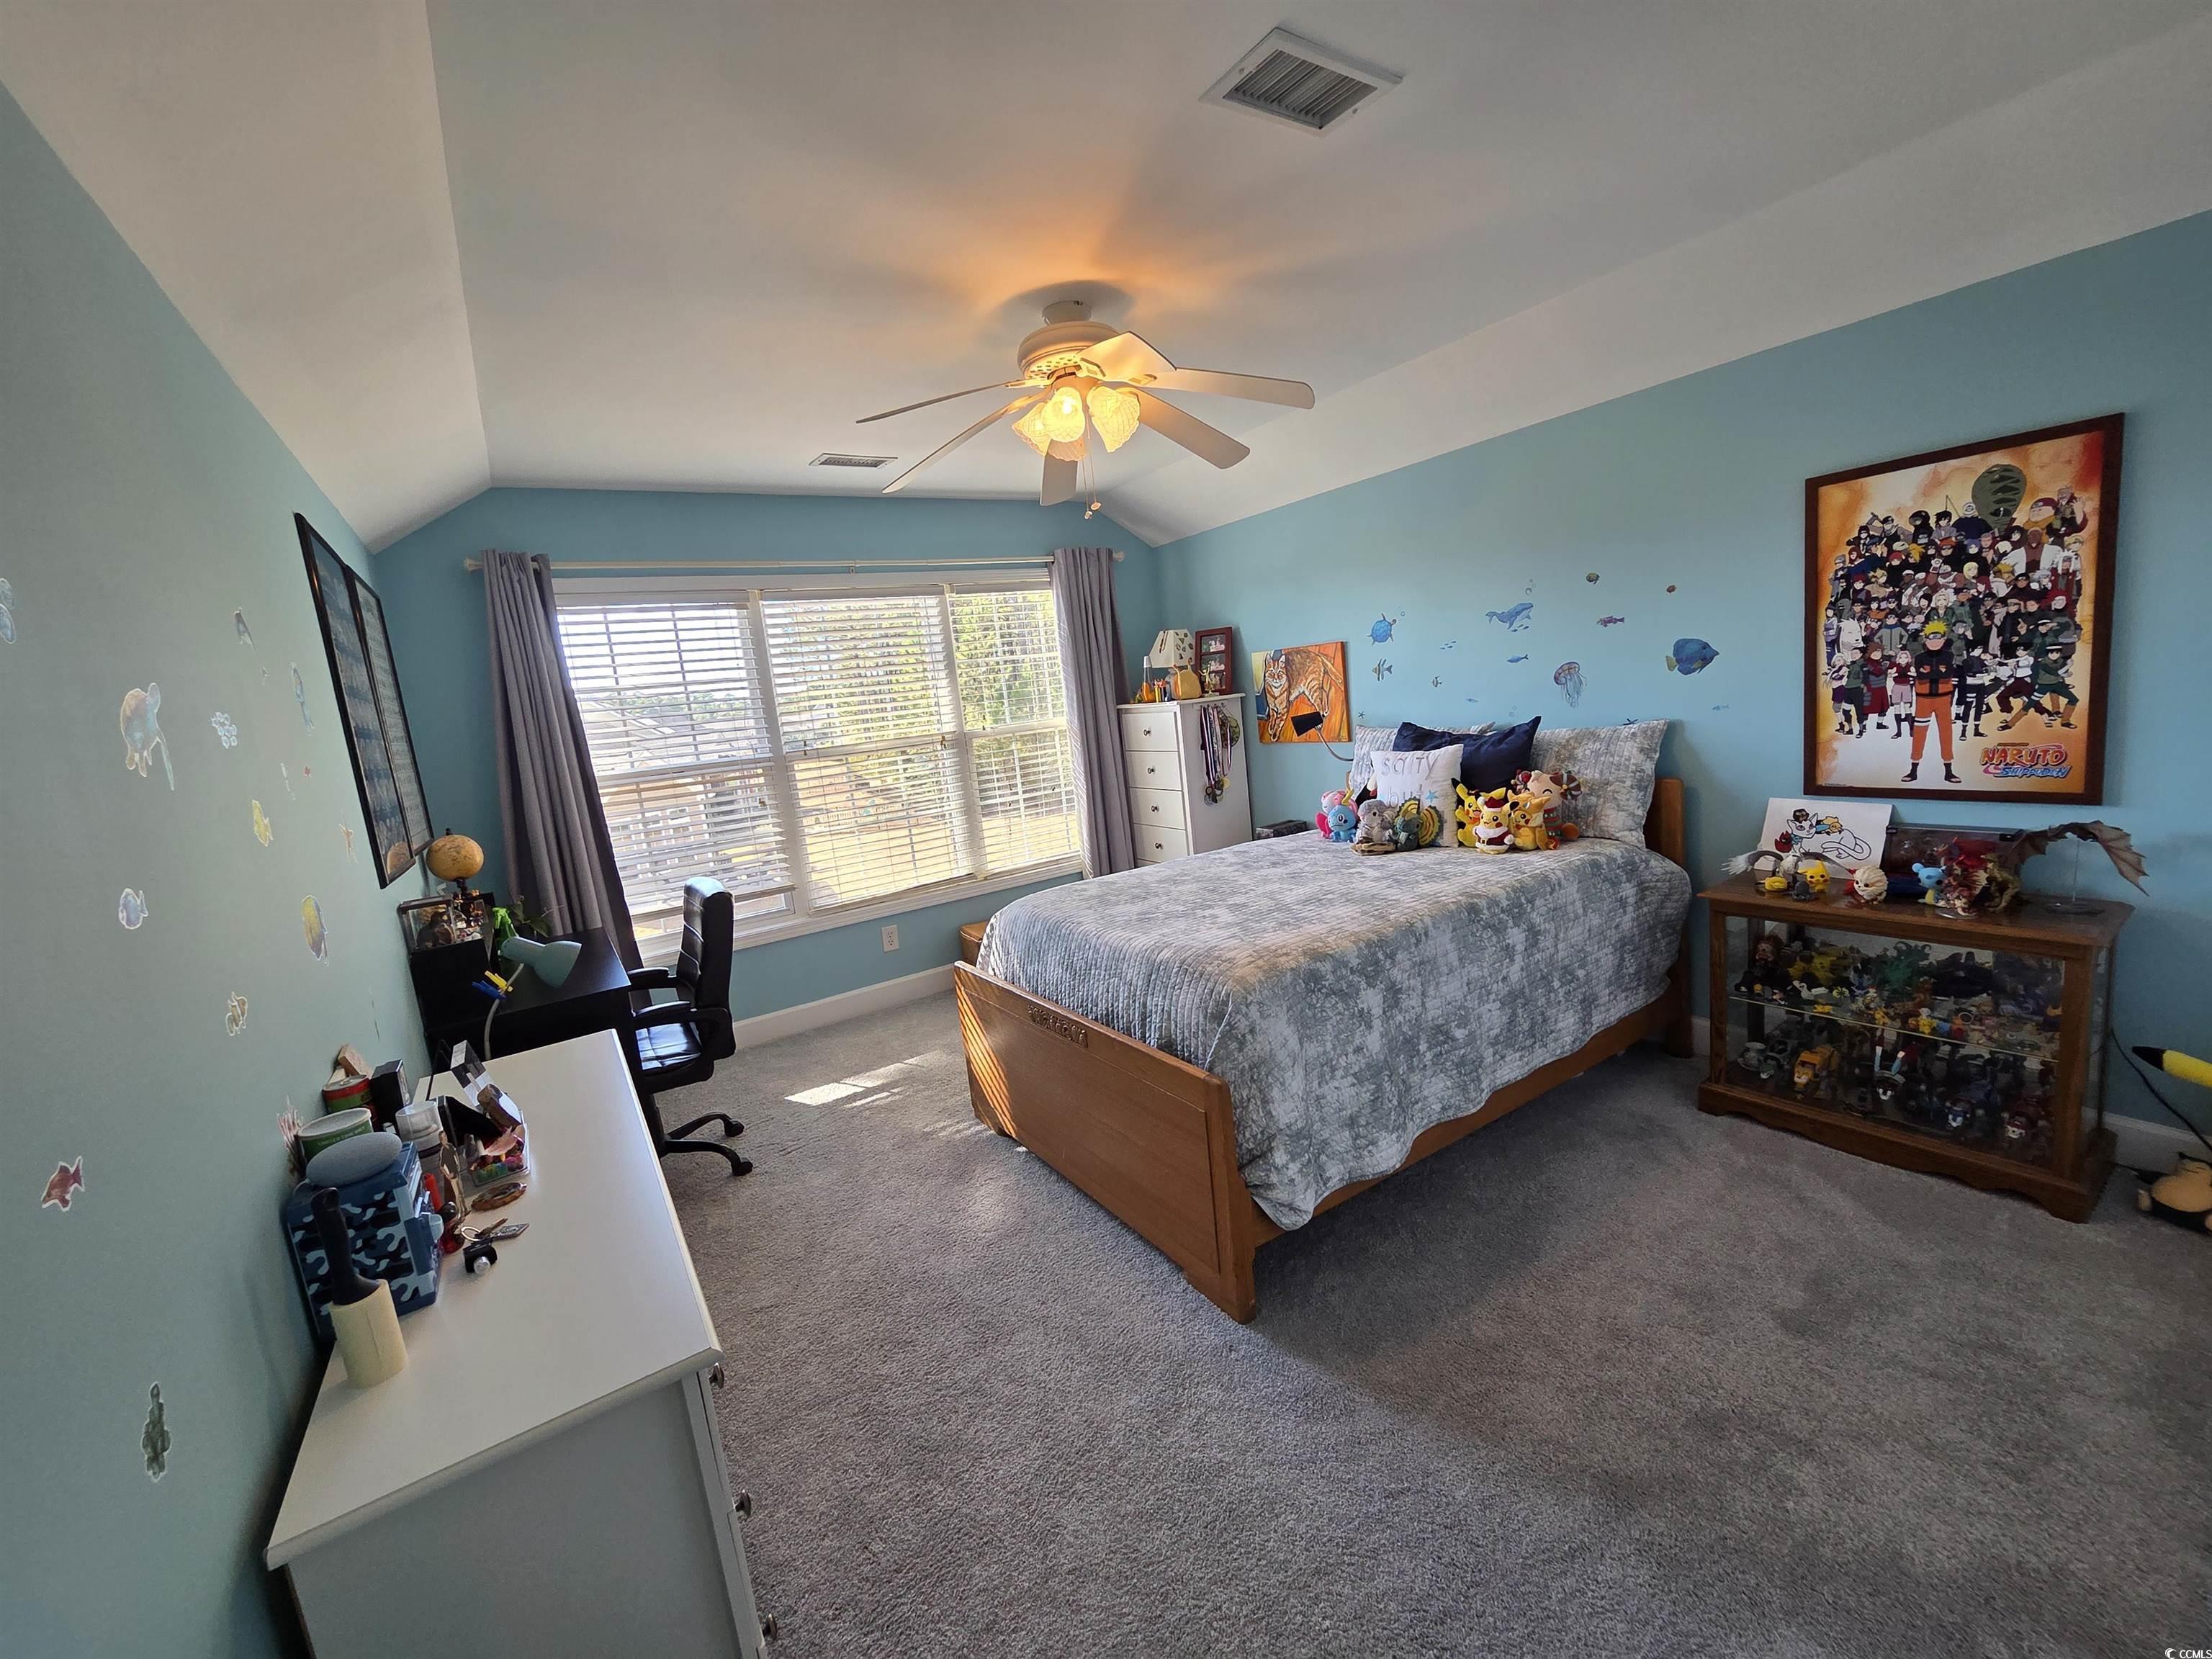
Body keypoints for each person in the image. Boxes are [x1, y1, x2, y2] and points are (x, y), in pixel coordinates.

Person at [1905, 619, 1959, 783]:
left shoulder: (1949, 656)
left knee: (1946, 733)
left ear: (1943, 639)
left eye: (1938, 638)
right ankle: (1913, 770)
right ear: (1925, 640)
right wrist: (1937, 672)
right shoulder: (1919, 657)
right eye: (1930, 638)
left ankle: (1949, 771)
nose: (1934, 642)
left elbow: (1947, 674)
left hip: (1943, 699)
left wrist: (1930, 673)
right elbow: (1922, 676)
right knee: (1919, 733)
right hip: (1923, 700)